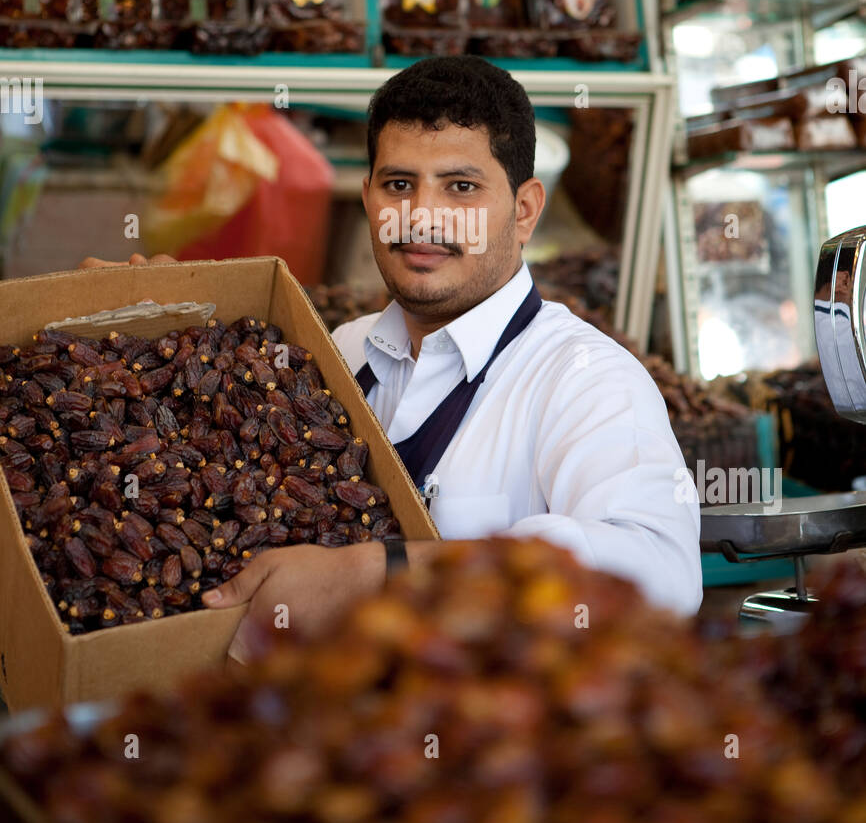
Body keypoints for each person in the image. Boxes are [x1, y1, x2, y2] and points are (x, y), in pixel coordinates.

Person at [86, 57, 702, 657]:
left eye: (460, 187)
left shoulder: (585, 380)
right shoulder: (336, 353)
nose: (422, 218)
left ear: (523, 211)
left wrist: (387, 573)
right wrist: (157, 328)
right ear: (368, 198)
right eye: (399, 185)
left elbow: (663, 576)